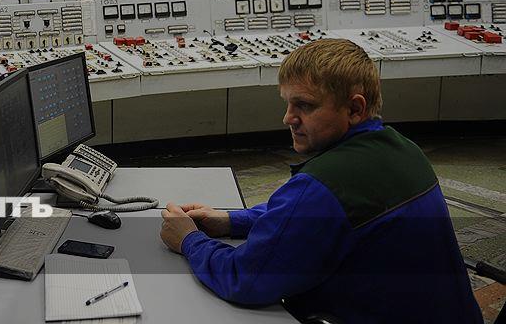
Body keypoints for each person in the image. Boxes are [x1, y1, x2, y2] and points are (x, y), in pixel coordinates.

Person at [159, 38, 481, 323]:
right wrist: (231, 220)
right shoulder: (402, 148)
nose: (288, 118)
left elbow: (244, 279)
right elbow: (313, 217)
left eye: (305, 105)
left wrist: (188, 239)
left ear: (354, 109)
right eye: (287, 103)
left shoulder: (323, 187)